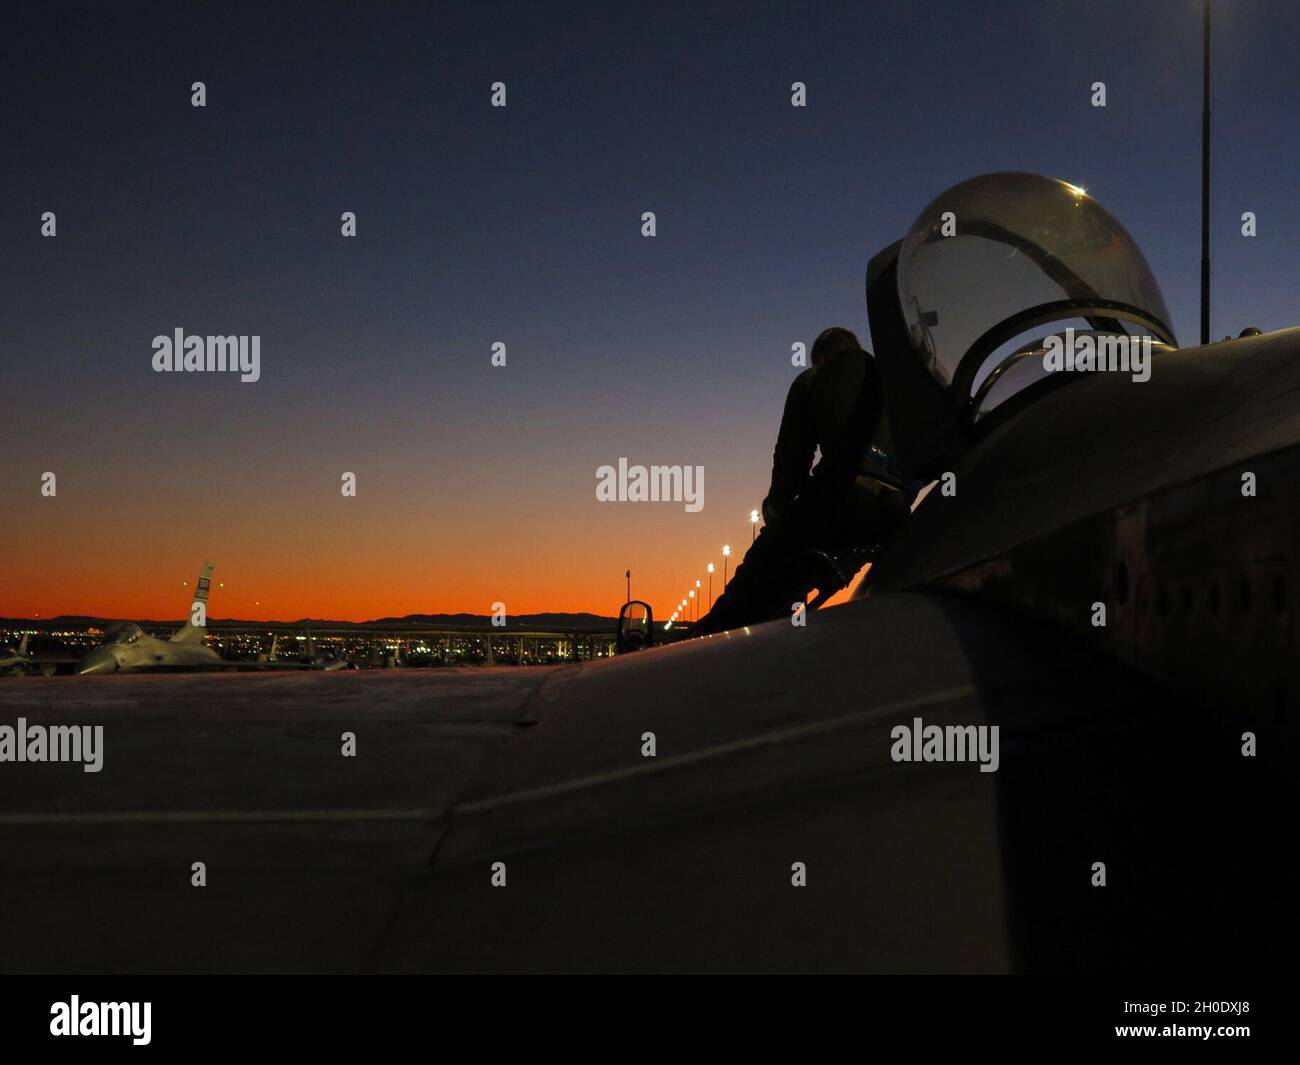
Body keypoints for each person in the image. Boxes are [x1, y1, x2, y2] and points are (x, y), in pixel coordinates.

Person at [695, 327, 910, 634]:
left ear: (821, 358)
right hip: (894, 515)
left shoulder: (813, 379)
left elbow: (792, 459)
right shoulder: (894, 382)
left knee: (752, 579)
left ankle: (706, 646)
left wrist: (776, 509)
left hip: (840, 504)